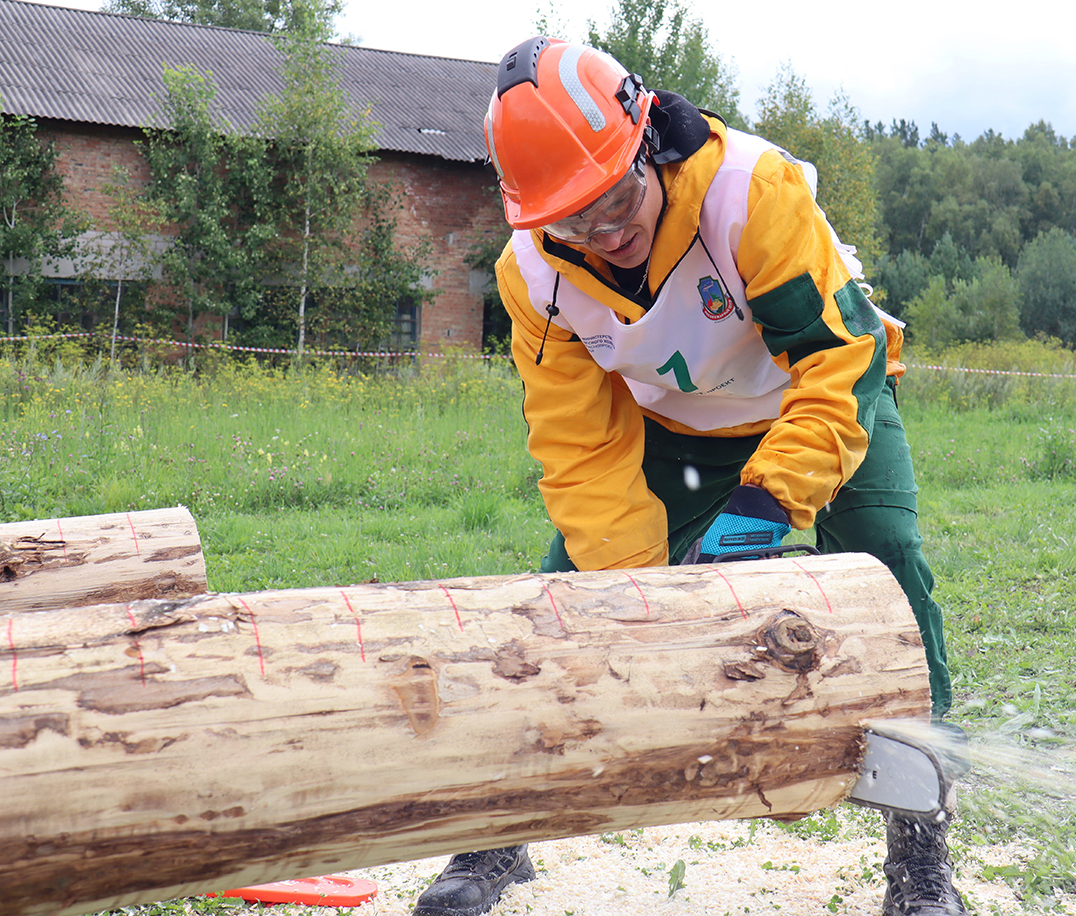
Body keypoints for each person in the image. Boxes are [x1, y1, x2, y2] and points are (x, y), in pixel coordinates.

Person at [412, 36, 966, 916]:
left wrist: (768, 501)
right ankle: (498, 834)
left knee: (891, 564)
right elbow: (579, 448)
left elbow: (834, 361)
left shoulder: (751, 191)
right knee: (565, 602)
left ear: (647, 145)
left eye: (619, 199)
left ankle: (921, 851)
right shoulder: (532, 279)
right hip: (673, 427)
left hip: (818, 398)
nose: (608, 234)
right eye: (573, 222)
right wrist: (647, 603)